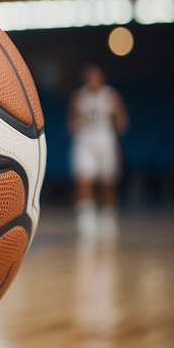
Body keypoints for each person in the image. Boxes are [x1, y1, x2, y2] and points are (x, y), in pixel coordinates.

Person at [69, 63, 128, 235]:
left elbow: (122, 120)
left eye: (95, 75)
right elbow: (71, 121)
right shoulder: (79, 96)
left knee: (108, 180)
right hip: (85, 140)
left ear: (101, 77)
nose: (92, 79)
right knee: (84, 177)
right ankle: (86, 215)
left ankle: (108, 214)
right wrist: (76, 124)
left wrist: (117, 126)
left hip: (105, 140)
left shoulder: (110, 96)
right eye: (89, 76)